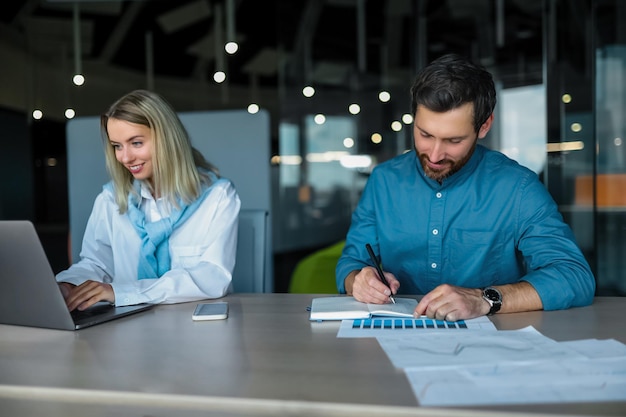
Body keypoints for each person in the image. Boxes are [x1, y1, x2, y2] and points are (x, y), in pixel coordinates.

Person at [335, 54, 595, 321]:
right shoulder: (383, 181)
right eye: (425, 134)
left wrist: (485, 299)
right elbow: (350, 263)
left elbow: (574, 276)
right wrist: (359, 280)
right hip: (394, 335)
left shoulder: (518, 188)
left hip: (490, 346)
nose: (434, 155)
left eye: (453, 140)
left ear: (484, 126)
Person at [57, 89, 241, 311]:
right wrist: (68, 285)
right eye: (117, 146)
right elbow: (96, 264)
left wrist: (122, 292)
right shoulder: (111, 199)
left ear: (167, 139)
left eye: (136, 143)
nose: (125, 157)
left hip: (194, 330)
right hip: (127, 329)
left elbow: (213, 277)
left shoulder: (218, 197)